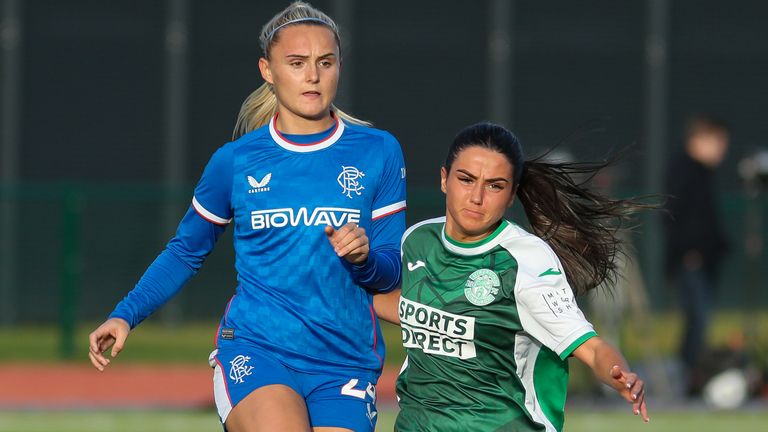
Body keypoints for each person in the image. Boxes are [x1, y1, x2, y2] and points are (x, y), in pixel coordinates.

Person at [88, 2, 406, 431]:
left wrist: (364, 258)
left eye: (324, 63)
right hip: (258, 349)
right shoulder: (235, 162)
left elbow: (388, 274)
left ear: (338, 67)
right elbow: (185, 251)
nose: (312, 75)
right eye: (296, 63)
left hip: (345, 359)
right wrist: (126, 314)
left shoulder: (379, 151)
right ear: (267, 70)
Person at [374, 122, 649, 431]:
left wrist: (619, 374)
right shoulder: (416, 240)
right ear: (444, 179)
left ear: (511, 195)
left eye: (495, 185)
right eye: (466, 179)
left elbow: (591, 346)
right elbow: (406, 306)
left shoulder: (526, 260)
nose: (476, 197)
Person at [664, 115, 730, 394]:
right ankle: (687, 380)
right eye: (717, 143)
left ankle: (691, 377)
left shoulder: (704, 174)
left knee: (699, 321)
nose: (721, 150)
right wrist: (689, 251)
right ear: (699, 141)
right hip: (692, 261)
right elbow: (675, 218)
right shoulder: (685, 172)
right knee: (696, 319)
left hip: (703, 260)